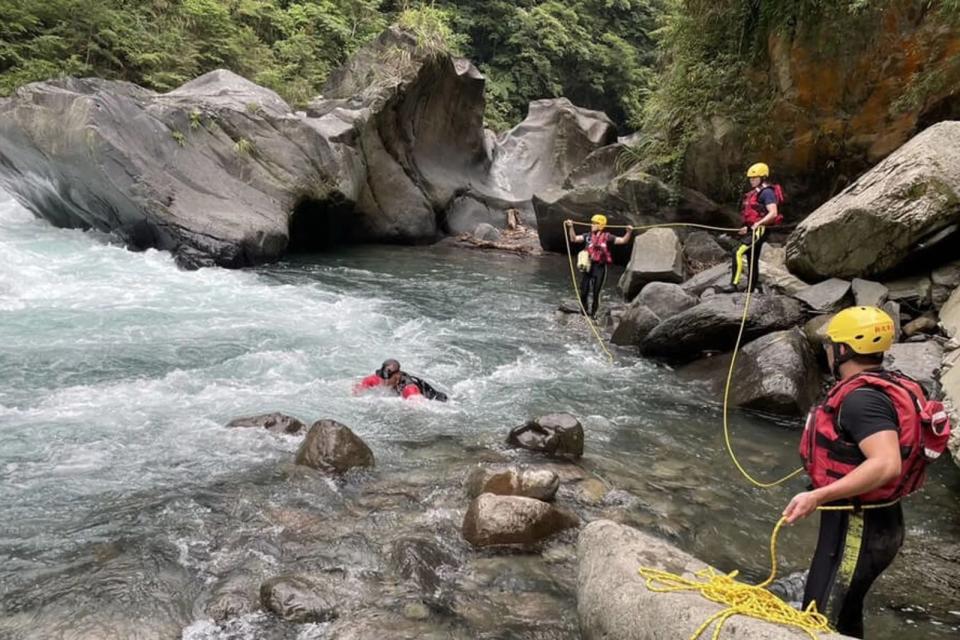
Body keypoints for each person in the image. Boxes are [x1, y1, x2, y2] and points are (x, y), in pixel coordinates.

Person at [783, 306, 951, 638]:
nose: (828, 350)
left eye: (831, 344)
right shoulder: (886, 384)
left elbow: (887, 464)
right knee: (842, 613)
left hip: (858, 531)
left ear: (843, 350)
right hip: (874, 525)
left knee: (821, 616)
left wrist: (818, 495)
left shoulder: (862, 400)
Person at [720, 162, 784, 294]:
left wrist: (759, 224)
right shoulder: (756, 193)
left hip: (761, 230)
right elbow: (753, 217)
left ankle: (734, 285)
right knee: (751, 258)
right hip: (755, 229)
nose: (752, 180)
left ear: (763, 178)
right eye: (750, 178)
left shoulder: (767, 193)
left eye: (755, 178)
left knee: (737, 252)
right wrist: (747, 228)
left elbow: (773, 213)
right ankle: (752, 287)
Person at [564, 214, 632, 317]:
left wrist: (629, 232)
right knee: (584, 291)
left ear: (600, 225)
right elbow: (574, 239)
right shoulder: (588, 236)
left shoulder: (608, 237)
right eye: (592, 223)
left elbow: (623, 241)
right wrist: (571, 227)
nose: (592, 225)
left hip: (599, 268)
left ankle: (594, 314)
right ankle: (584, 311)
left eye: (594, 223)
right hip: (588, 267)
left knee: (596, 292)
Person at [354, 359, 448, 401]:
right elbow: (361, 385)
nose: (384, 382)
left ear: (397, 376)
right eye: (383, 378)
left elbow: (422, 408)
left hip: (437, 400)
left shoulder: (409, 389)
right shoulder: (379, 378)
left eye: (388, 379)